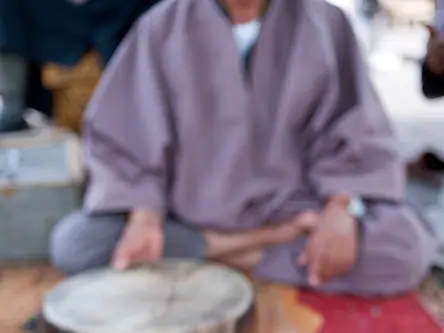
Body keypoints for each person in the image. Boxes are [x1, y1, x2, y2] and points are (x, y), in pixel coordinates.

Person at [51, 0, 437, 296]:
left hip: (298, 206)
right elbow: (125, 132)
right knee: (78, 243)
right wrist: (146, 214)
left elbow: (356, 128)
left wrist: (342, 207)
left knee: (406, 247)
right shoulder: (162, 26)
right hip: (187, 213)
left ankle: (209, 254)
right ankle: (260, 246)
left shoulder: (324, 22)